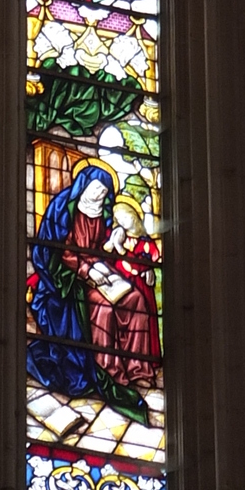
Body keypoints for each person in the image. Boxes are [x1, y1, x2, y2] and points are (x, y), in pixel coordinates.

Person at [26, 163, 157, 424]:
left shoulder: (103, 211)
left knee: (135, 300)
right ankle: (108, 368)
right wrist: (87, 271)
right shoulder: (64, 209)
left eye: (104, 191)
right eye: (96, 189)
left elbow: (105, 244)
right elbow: (59, 251)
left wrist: (114, 239)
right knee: (105, 308)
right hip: (69, 276)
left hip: (100, 269)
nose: (99, 195)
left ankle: (136, 366)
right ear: (83, 185)